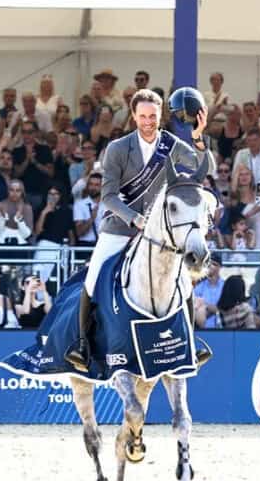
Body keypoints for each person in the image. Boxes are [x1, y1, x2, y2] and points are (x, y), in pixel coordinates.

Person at [65, 89, 213, 372]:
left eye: (153, 116)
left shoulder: (170, 144)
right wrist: (134, 218)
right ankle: (81, 344)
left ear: (161, 116)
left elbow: (204, 168)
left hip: (159, 232)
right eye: (143, 116)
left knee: (183, 281)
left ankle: (190, 344)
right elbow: (108, 196)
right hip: (120, 227)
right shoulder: (118, 148)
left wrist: (197, 137)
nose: (148, 121)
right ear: (133, 116)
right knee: (94, 276)